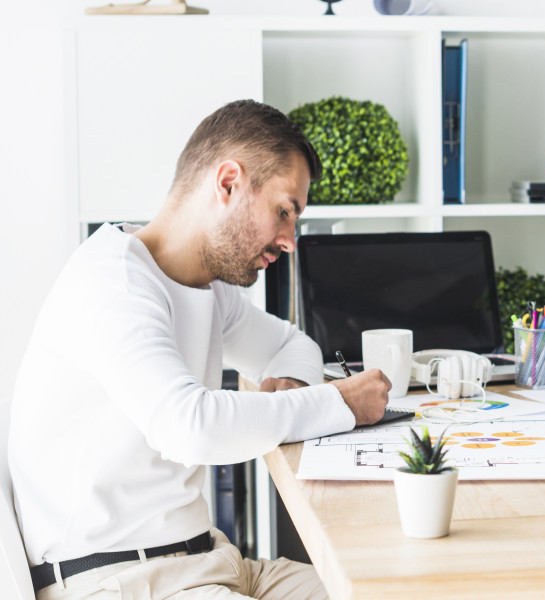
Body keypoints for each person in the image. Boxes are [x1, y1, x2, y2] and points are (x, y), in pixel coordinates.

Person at [8, 99, 391, 599]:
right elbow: (188, 427)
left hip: (210, 561)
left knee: (387, 586)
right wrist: (338, 403)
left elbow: (291, 344)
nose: (291, 240)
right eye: (283, 211)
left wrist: (293, 387)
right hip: (118, 582)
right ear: (228, 182)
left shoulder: (205, 287)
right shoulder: (114, 283)